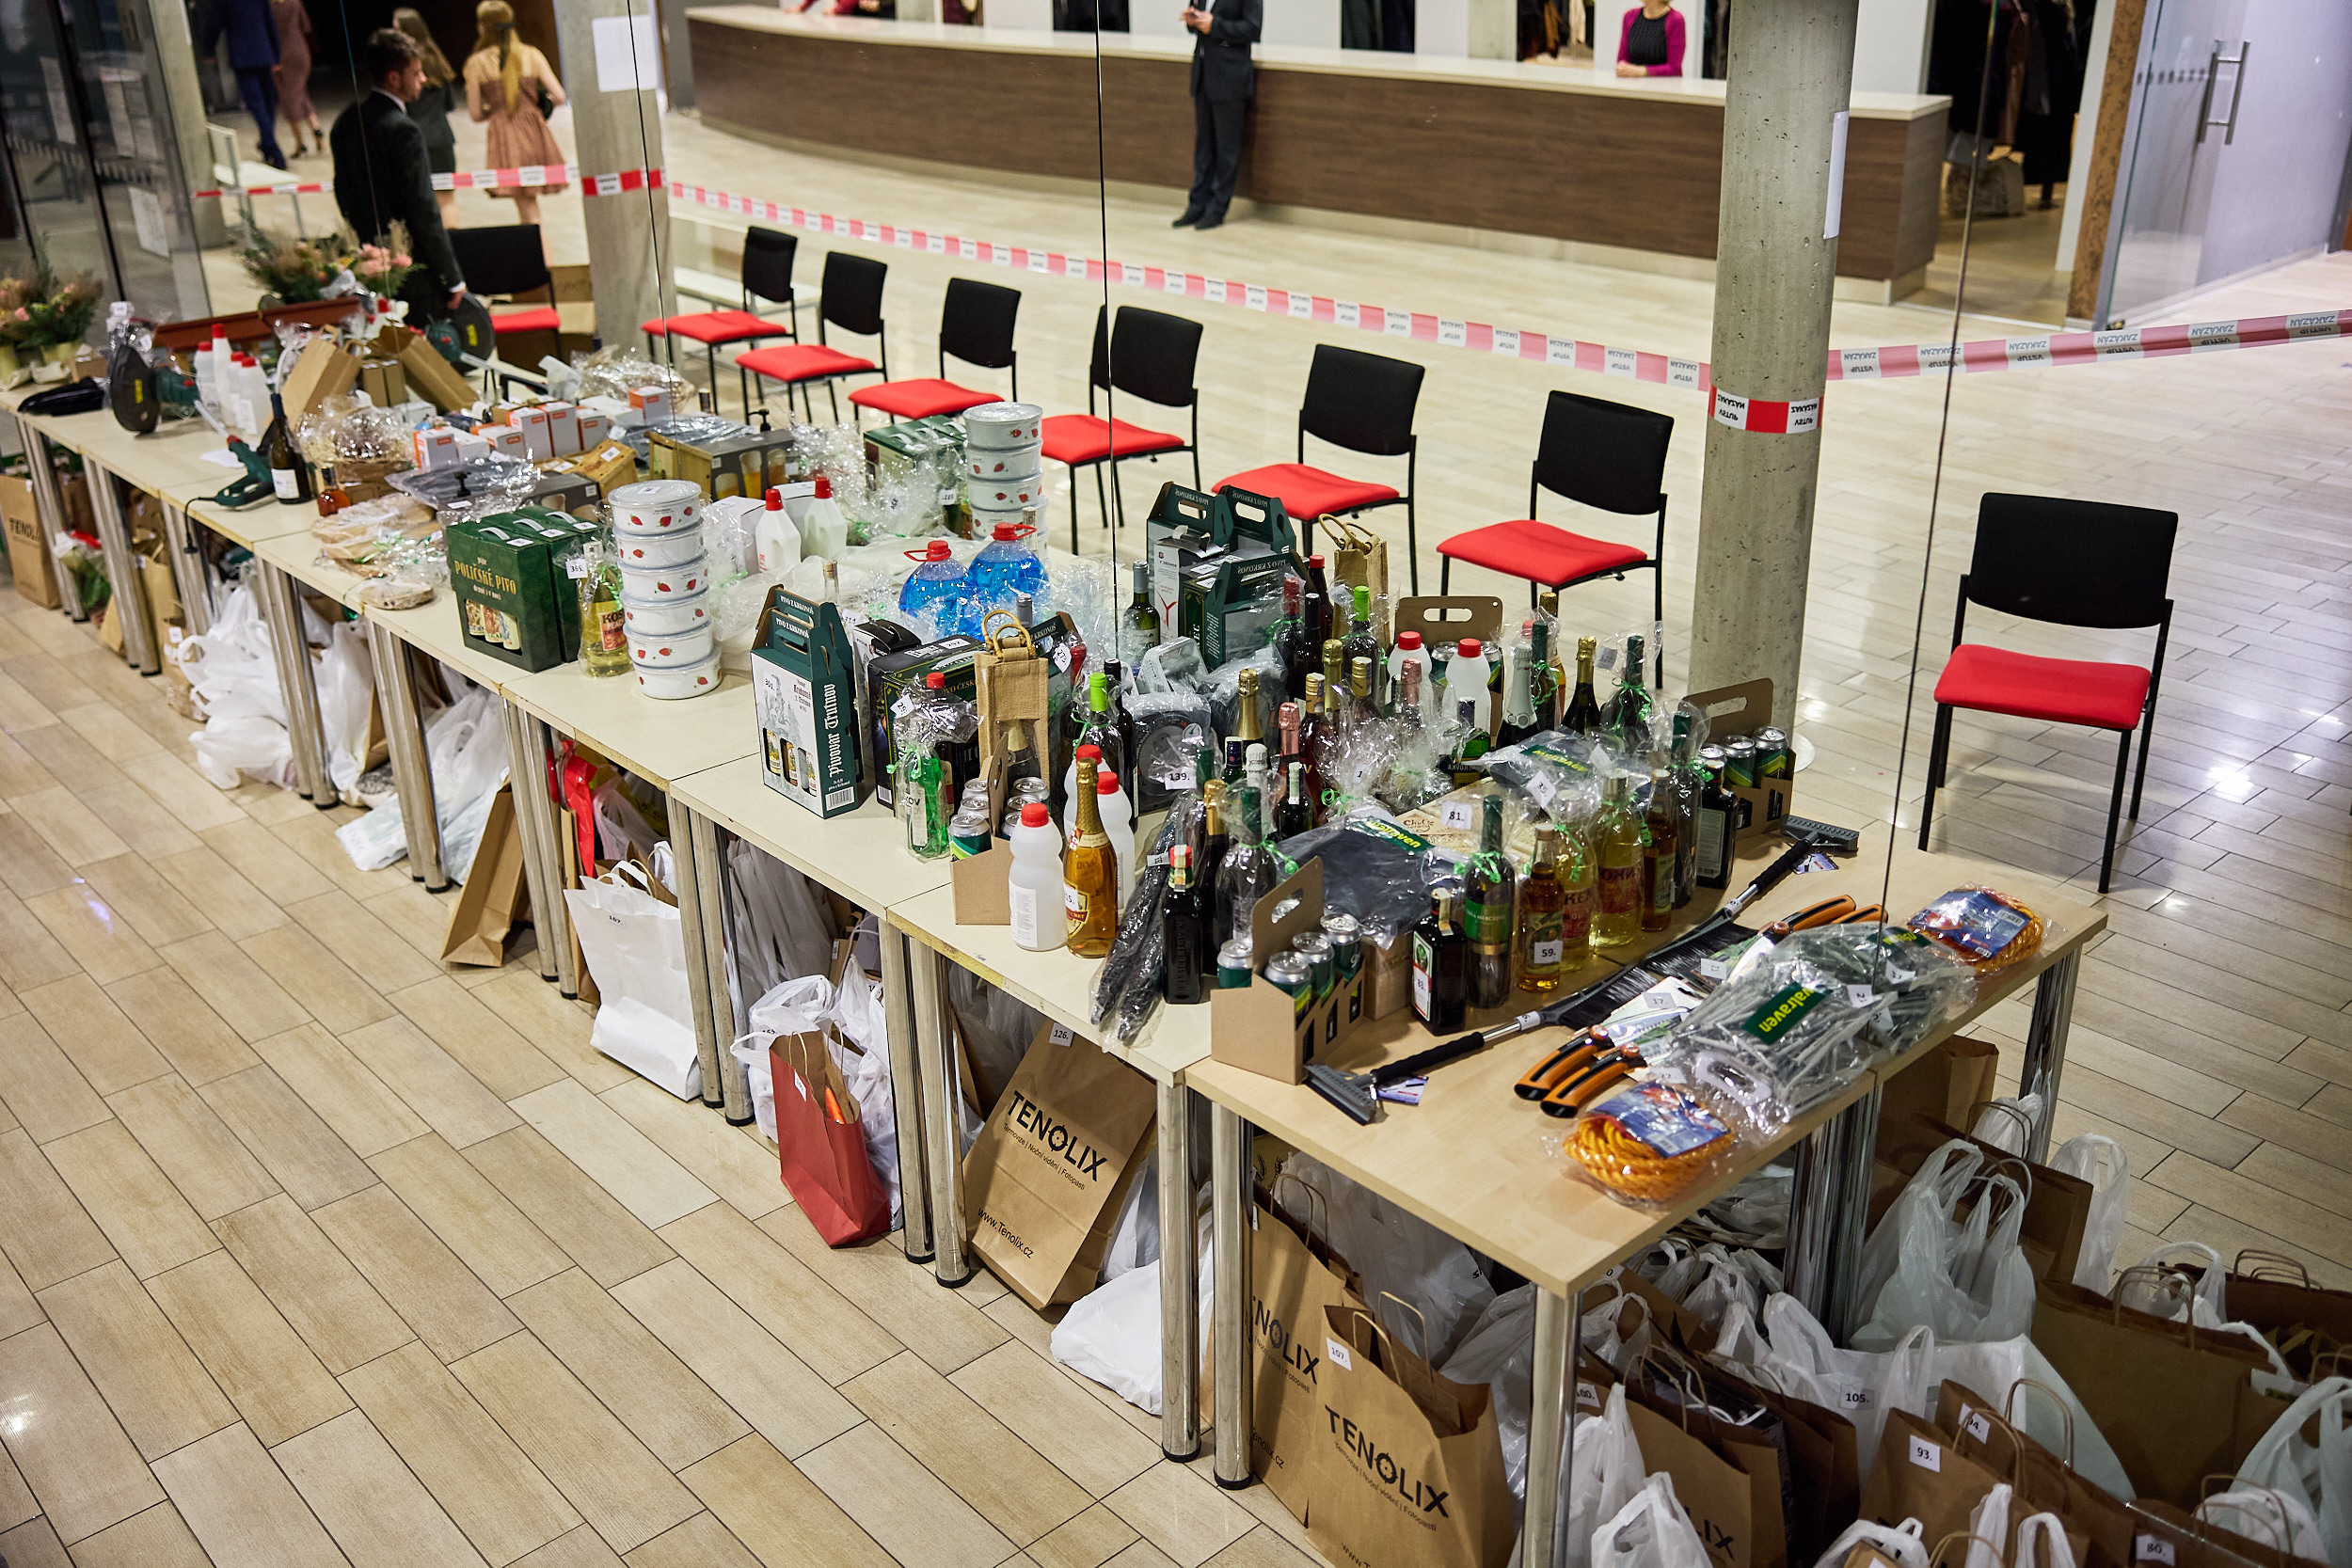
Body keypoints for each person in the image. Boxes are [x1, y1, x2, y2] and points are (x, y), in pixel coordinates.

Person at [329, 28, 467, 319]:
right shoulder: (403, 130)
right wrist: (452, 277)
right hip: (408, 266)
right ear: (394, 78)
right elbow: (423, 208)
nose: (424, 79)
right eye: (416, 73)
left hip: (365, 261)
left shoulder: (347, 121)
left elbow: (343, 191)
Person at [464, 0, 569, 233]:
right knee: (529, 204)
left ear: (483, 27)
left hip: (505, 134)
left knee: (526, 207)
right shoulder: (532, 54)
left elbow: (475, 114)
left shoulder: (477, 63)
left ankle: (540, 253)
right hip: (535, 131)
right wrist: (535, 105)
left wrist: (497, 108)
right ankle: (540, 251)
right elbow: (559, 96)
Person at [1175, 0, 1260, 231]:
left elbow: (1252, 28)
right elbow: (1200, 22)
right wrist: (1193, 21)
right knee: (1203, 146)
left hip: (1229, 75)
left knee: (1226, 150)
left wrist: (1216, 25)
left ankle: (1217, 208)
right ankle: (1197, 203)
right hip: (1203, 73)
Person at [392, 8, 464, 229]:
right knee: (446, 200)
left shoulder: (403, 65)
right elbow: (449, 105)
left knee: (416, 201)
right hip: (442, 140)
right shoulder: (437, 59)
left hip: (413, 139)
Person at [201, 0, 287, 169]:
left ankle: (272, 148)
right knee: (267, 102)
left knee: (259, 103)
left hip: (243, 55)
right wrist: (275, 54)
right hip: (262, 52)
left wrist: (208, 49)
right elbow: (269, 22)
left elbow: (214, 22)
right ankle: (269, 146)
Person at [270, 0, 322, 157]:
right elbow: (306, 26)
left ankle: (300, 143)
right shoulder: (295, 2)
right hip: (300, 50)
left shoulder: (270, 6)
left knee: (289, 99)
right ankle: (316, 129)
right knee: (300, 92)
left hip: (282, 53)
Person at [1613, 0, 1683, 76]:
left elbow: (1674, 69)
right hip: (1633, 81)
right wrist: (1622, 68)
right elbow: (1622, 58)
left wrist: (1643, 71)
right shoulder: (1630, 16)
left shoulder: (1675, 19)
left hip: (1664, 82)